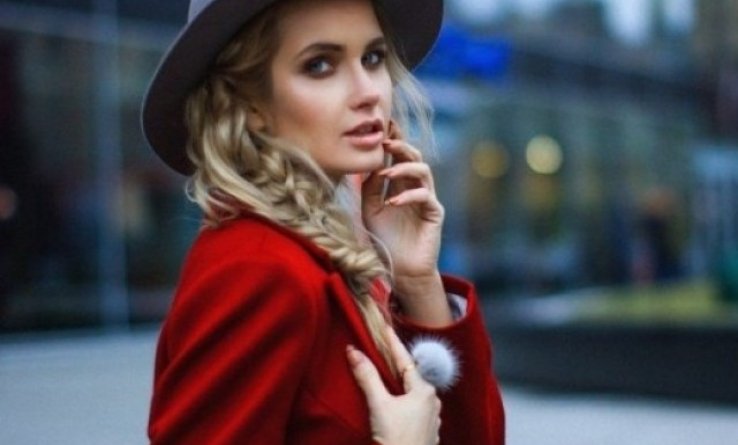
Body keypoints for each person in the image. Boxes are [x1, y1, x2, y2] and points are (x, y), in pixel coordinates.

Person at [141, 0, 505, 443]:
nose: (368, 91)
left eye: (373, 57)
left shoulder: (328, 260)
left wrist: (416, 282)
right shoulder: (258, 269)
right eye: (319, 65)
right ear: (249, 100)